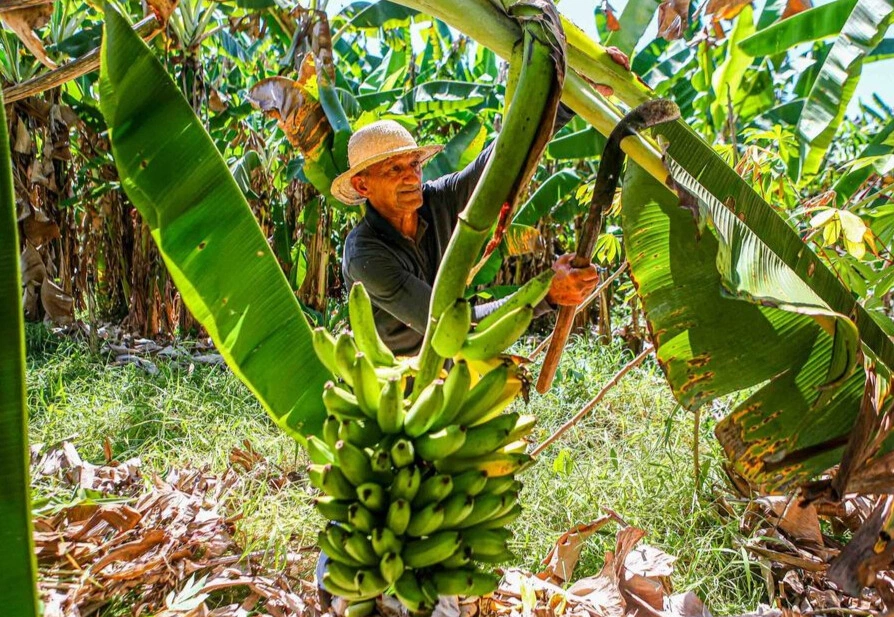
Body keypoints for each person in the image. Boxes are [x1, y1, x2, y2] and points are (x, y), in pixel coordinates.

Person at [330, 110, 599, 356]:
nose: (412, 177)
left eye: (414, 164)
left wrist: (568, 99)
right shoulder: (365, 255)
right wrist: (545, 292)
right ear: (362, 185)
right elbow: (449, 327)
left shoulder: (438, 200)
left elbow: (505, 156)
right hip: (392, 392)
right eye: (394, 169)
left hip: (450, 379)